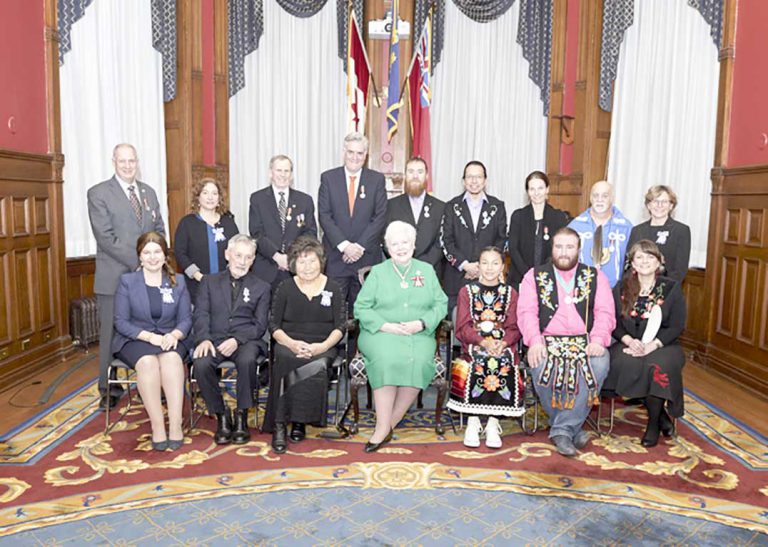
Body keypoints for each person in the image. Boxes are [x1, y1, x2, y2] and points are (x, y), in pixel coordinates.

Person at [517, 227, 615, 457]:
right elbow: (526, 312)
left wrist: (599, 339)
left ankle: (561, 429)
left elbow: (605, 313)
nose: (563, 252)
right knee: (540, 365)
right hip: (547, 341)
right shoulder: (534, 276)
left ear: (579, 250)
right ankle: (571, 427)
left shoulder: (595, 276)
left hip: (586, 342)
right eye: (558, 246)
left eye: (569, 247)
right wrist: (534, 341)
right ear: (552, 249)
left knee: (599, 363)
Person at [355, 221, 448, 452]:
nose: (400, 247)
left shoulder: (426, 270)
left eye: (405, 242)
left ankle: (388, 425)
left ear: (414, 244)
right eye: (394, 243)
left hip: (418, 333)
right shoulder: (378, 272)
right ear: (387, 247)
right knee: (387, 358)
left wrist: (421, 323)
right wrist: (385, 325)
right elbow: (361, 308)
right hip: (380, 333)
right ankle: (381, 426)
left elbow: (441, 303)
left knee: (417, 360)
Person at [88, 143, 166, 410]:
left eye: (132, 161)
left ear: (137, 162)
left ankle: (156, 380)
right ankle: (107, 387)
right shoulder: (98, 193)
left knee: (153, 326)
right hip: (115, 276)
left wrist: (154, 257)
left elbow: (159, 229)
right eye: (123, 161)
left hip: (150, 276)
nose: (128, 165)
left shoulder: (148, 192)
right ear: (113, 162)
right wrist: (141, 260)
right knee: (110, 332)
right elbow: (106, 237)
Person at [263, 236, 345, 453]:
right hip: (289, 341)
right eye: (301, 262)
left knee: (315, 365)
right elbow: (273, 324)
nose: (307, 267)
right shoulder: (285, 287)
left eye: (312, 261)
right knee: (285, 359)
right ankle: (280, 424)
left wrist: (322, 347)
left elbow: (341, 326)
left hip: (323, 344)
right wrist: (290, 343)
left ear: (321, 261)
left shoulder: (333, 287)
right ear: (293, 265)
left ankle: (300, 420)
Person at [112, 232, 191, 451]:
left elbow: (185, 319)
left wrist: (174, 335)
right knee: (147, 363)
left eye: (157, 252)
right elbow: (121, 321)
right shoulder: (127, 282)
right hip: (136, 338)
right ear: (140, 256)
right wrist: (150, 337)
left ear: (165, 255)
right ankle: (157, 426)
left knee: (172, 361)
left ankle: (175, 425)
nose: (153, 257)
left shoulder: (179, 281)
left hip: (169, 336)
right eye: (147, 252)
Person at [605, 240, 687, 447]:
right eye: (639, 257)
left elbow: (677, 325)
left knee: (657, 366)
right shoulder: (621, 288)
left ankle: (652, 424)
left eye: (650, 256)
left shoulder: (670, 288)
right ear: (632, 263)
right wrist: (629, 340)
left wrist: (653, 345)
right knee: (625, 362)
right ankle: (661, 417)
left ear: (659, 261)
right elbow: (612, 322)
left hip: (663, 344)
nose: (644, 261)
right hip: (628, 342)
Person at [191, 234, 271, 445]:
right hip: (214, 339)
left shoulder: (262, 287)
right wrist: (204, 339)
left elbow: (260, 325)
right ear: (227, 255)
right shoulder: (209, 281)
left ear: (253, 260)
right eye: (238, 255)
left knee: (247, 361)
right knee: (201, 363)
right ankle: (221, 415)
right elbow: (200, 314)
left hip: (247, 341)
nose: (242, 262)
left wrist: (237, 339)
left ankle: (242, 416)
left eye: (248, 257)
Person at [448, 246, 522, 449]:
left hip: (502, 344)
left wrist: (503, 343)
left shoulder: (511, 293)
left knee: (502, 360)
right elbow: (462, 327)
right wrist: (483, 342)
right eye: (485, 263)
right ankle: (472, 420)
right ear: (478, 266)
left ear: (502, 267)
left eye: (495, 263)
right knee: (479, 360)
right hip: (474, 343)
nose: (489, 268)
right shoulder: (467, 292)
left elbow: (515, 326)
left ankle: (492, 421)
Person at [318, 132, 387, 313]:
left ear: (366, 155)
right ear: (344, 152)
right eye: (351, 152)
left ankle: (358, 344)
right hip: (336, 258)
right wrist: (345, 246)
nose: (355, 157)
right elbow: (324, 216)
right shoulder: (328, 178)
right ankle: (335, 343)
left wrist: (359, 246)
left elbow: (380, 217)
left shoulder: (377, 180)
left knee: (364, 313)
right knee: (333, 312)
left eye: (360, 153)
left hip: (366, 258)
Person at [440, 161, 507, 310]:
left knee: (488, 325)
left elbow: (501, 239)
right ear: (464, 181)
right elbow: (446, 240)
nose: (474, 181)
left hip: (489, 279)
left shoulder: (497, 207)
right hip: (457, 279)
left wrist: (482, 266)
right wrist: (465, 265)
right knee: (458, 324)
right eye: (470, 177)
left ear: (485, 181)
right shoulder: (451, 206)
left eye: (478, 177)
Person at [249, 155, 318, 289]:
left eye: (286, 171)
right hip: (266, 269)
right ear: (270, 173)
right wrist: (276, 256)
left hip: (296, 268)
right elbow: (256, 233)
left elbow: (310, 233)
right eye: (279, 170)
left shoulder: (305, 200)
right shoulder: (257, 199)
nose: (283, 175)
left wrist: (291, 256)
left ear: (291, 175)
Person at [174, 177, 239, 304]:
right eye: (205, 193)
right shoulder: (187, 223)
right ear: (198, 198)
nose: (210, 197)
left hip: (226, 285)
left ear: (219, 199)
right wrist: (197, 275)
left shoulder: (228, 222)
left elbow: (237, 249)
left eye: (214, 193)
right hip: (197, 284)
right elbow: (180, 253)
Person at [507, 171, 570, 287]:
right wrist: (529, 274)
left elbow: (559, 249)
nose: (536, 193)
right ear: (527, 192)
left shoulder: (558, 217)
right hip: (520, 279)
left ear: (547, 189)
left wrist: (542, 274)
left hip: (549, 279)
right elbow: (513, 249)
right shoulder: (518, 216)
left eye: (540, 188)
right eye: (532, 189)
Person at [385, 157, 446, 275]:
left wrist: (423, 264)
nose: (415, 176)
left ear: (427, 176)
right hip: (398, 269)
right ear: (405, 175)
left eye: (420, 172)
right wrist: (402, 260)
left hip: (430, 270)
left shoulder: (441, 207)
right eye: (411, 171)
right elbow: (386, 237)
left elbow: (442, 240)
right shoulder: (391, 205)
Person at [569, 180, 632, 288]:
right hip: (582, 290)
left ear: (612, 198)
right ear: (590, 198)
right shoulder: (575, 226)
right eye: (595, 195)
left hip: (615, 292)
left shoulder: (626, 227)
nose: (599, 200)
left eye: (605, 196)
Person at [626, 185, 691, 282]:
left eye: (664, 202)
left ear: (671, 206)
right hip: (638, 288)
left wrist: (659, 290)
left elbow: (680, 270)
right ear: (648, 205)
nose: (659, 205)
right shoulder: (637, 230)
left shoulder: (681, 231)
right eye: (655, 201)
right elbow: (629, 263)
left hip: (666, 289)